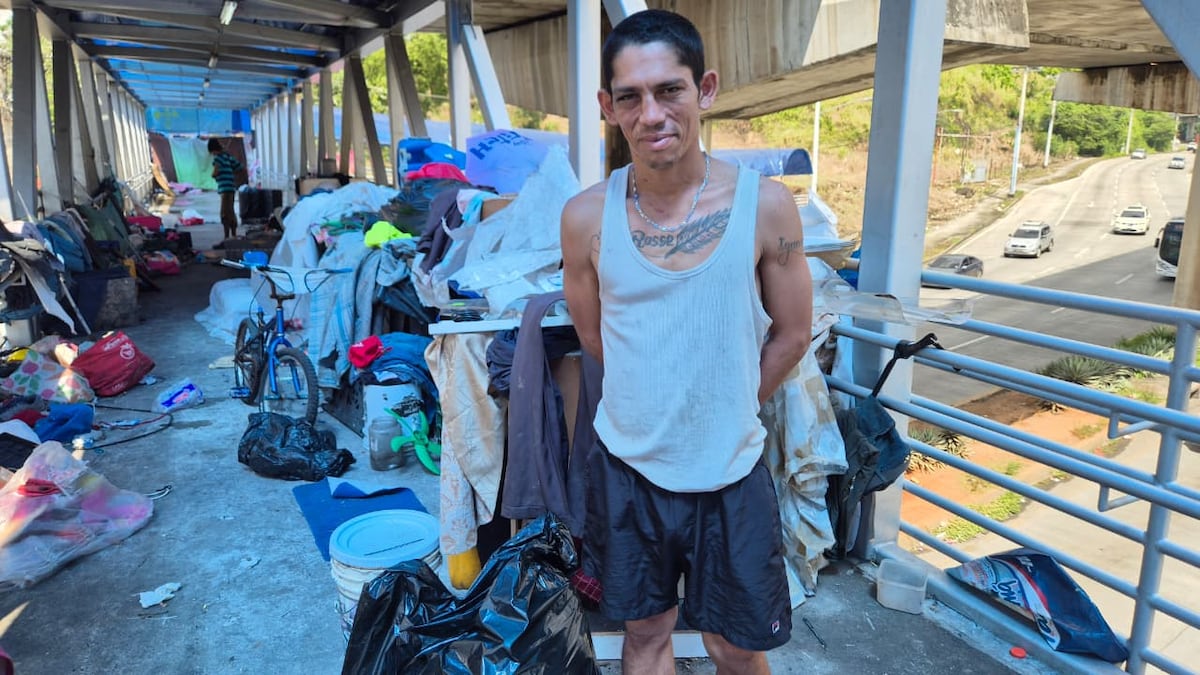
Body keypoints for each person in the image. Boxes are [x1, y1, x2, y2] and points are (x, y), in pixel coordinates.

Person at [560, 8, 813, 675]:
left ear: (704, 90)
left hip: (729, 469)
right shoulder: (586, 217)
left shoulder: (766, 207)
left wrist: (726, 399)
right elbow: (594, 336)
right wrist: (658, 397)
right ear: (607, 107)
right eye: (631, 97)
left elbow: (792, 334)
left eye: (669, 89)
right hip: (628, 470)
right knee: (644, 636)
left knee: (736, 643)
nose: (652, 113)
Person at [208, 138, 243, 242]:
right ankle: (234, 234)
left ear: (212, 150)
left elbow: (215, 172)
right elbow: (240, 167)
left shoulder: (217, 158)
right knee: (231, 211)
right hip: (231, 187)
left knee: (224, 213)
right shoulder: (227, 157)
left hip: (224, 189)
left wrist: (213, 175)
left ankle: (226, 237)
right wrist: (233, 177)